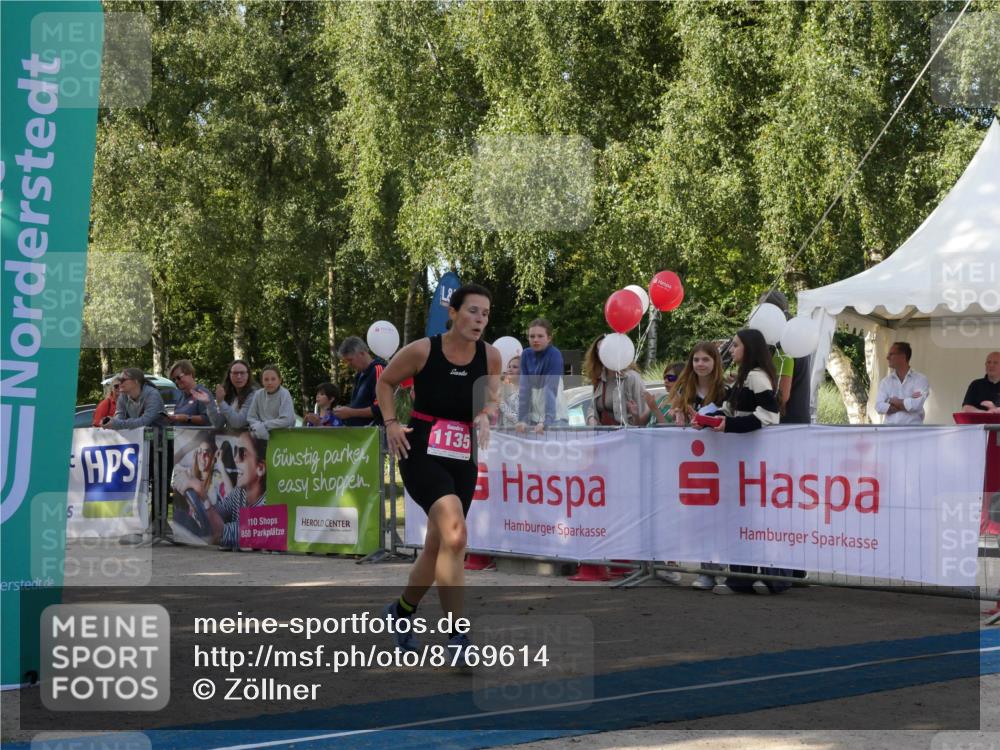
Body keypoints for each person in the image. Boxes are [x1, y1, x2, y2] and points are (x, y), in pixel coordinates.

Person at [375, 284, 501, 665]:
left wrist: (485, 415)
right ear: (453, 312)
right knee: (456, 534)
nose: (479, 320)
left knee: (438, 545)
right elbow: (385, 382)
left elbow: (490, 398)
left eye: (485, 314)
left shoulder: (490, 357)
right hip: (420, 448)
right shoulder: (423, 350)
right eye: (473, 311)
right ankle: (458, 637)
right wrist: (392, 423)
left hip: (462, 454)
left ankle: (400, 612)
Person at [693, 329, 787, 595]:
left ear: (749, 348)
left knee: (752, 517)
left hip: (752, 456)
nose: (731, 350)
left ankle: (759, 578)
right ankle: (744, 578)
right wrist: (707, 421)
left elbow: (769, 415)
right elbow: (730, 410)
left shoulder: (756, 377)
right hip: (741, 457)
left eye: (735, 345)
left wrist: (727, 424)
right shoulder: (745, 378)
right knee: (743, 517)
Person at [668, 343, 728, 589]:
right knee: (701, 516)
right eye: (696, 360)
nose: (700, 364)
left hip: (722, 460)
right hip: (694, 463)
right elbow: (678, 421)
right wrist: (679, 418)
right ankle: (707, 571)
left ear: (715, 362)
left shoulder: (725, 390)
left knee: (721, 515)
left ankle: (723, 568)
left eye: (705, 359)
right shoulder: (685, 391)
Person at [205, 431, 268, 550]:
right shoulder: (240, 492)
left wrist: (202, 499)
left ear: (260, 468)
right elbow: (219, 511)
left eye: (242, 453)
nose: (235, 458)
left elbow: (223, 534)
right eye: (235, 451)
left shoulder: (267, 504)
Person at [760, 290, 812, 424]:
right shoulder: (793, 335)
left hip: (786, 425)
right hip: (797, 421)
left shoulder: (782, 343)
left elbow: (781, 396)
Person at [584, 335, 649, 426]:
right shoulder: (599, 379)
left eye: (606, 349)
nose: (601, 353)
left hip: (627, 436)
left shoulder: (631, 378)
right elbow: (592, 408)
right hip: (603, 436)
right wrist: (592, 419)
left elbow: (643, 414)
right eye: (598, 350)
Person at [516, 319, 568, 433]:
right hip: (534, 419)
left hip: (556, 418)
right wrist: (522, 419)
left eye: (540, 336)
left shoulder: (554, 354)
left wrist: (547, 420)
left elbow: (551, 388)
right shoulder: (525, 354)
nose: (535, 339)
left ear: (549, 338)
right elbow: (524, 389)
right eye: (532, 336)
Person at [334, 337, 387, 426]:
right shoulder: (359, 375)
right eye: (346, 361)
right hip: (362, 434)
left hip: (375, 434)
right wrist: (345, 410)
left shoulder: (378, 370)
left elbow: (381, 408)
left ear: (362, 353)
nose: (348, 364)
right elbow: (360, 405)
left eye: (350, 360)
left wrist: (351, 412)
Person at [195, 359, 259, 430]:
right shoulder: (229, 393)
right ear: (230, 375)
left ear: (248, 375)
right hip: (232, 439)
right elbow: (218, 423)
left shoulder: (254, 394)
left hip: (251, 440)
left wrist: (221, 402)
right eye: (235, 373)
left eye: (242, 373)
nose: (239, 376)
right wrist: (208, 404)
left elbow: (238, 423)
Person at [875, 342, 930, 425]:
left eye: (891, 354)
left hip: (914, 432)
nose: (887, 357)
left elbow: (916, 405)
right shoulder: (885, 382)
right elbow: (878, 406)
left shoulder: (921, 379)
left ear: (902, 356)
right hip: (890, 433)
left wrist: (894, 401)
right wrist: (907, 404)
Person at [102, 368, 169, 430]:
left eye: (123, 380)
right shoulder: (123, 396)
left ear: (136, 381)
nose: (119, 383)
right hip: (137, 437)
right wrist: (109, 422)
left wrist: (117, 424)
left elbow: (144, 422)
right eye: (119, 380)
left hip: (159, 438)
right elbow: (119, 418)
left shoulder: (152, 394)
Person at [245, 365, 296, 439]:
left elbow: (287, 420)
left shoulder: (284, 393)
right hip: (261, 437)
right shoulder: (258, 394)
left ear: (279, 380)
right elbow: (251, 417)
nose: (269, 382)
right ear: (262, 381)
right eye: (266, 379)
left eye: (273, 379)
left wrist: (264, 425)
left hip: (283, 436)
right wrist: (259, 428)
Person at [168, 360, 211, 426]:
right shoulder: (181, 395)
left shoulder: (202, 393)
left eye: (178, 377)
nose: (176, 381)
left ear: (190, 374)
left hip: (198, 436)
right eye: (174, 379)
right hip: (180, 435)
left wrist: (187, 418)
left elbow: (209, 419)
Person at [498, 354, 521, 428]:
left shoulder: (526, 392)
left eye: (515, 367)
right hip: (504, 435)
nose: (510, 369)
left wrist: (500, 402)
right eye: (509, 366)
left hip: (519, 436)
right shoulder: (507, 389)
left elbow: (519, 420)